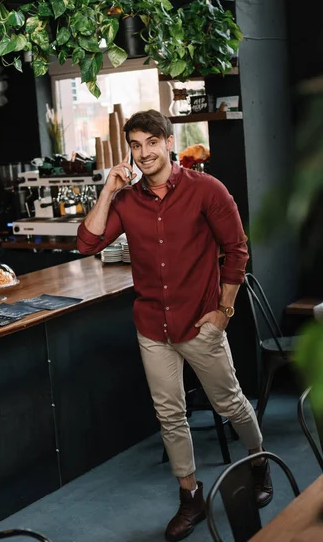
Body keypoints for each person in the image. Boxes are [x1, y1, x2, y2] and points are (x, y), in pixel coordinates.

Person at [76, 110, 272, 541]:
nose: (143, 152)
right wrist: (109, 189)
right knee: (170, 415)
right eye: (135, 145)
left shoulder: (207, 190)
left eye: (151, 142)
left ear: (168, 142)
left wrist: (224, 311)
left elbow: (236, 250)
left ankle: (259, 463)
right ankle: (191, 496)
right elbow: (87, 242)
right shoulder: (127, 201)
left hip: (200, 323)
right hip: (152, 326)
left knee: (231, 403)